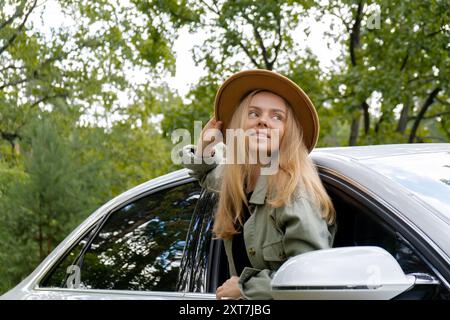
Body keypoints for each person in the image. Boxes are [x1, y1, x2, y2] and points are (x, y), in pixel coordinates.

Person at [180, 69, 336, 299]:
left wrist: (245, 289)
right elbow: (205, 175)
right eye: (253, 114)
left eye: (277, 117)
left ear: (287, 133)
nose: (263, 121)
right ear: (239, 126)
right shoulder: (237, 181)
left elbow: (312, 279)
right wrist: (205, 147)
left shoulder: (294, 194)